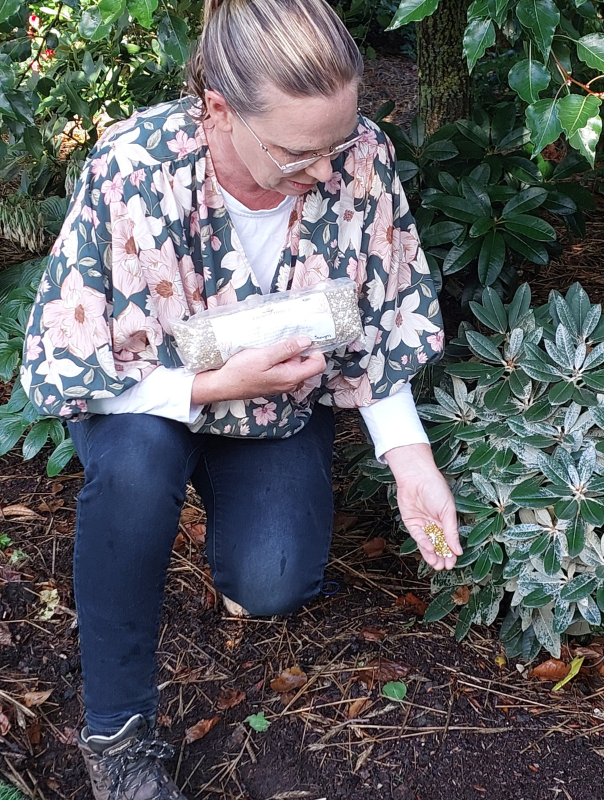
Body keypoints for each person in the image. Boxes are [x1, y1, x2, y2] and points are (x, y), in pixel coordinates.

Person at [20, 1, 462, 797]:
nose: (327, 171)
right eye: (299, 153)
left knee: (273, 582)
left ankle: (231, 522)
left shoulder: (358, 156)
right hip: (143, 406)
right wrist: (215, 384)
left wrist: (410, 460)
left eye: (338, 143)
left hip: (276, 407)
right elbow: (66, 359)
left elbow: (386, 308)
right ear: (219, 110)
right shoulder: (133, 168)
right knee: (135, 476)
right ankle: (116, 733)